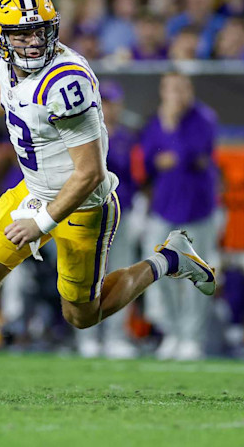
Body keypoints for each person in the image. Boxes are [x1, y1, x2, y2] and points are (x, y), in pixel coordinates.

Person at [0, 0, 215, 397]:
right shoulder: (11, 62)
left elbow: (90, 173)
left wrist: (41, 222)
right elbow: (8, 94)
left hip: (83, 206)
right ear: (0, 36)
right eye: (22, 33)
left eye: (40, 30)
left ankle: (168, 259)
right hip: (34, 189)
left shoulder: (65, 82)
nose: (34, 41)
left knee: (81, 315)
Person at [140, 73, 220, 361]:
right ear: (163, 90)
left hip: (199, 210)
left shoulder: (204, 118)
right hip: (164, 208)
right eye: (171, 88)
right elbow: (149, 161)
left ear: (190, 89)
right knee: (162, 275)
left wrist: (171, 128)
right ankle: (172, 333)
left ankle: (192, 337)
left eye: (182, 88)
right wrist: (172, 156)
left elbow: (194, 154)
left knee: (199, 275)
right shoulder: (152, 121)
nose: (176, 94)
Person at [75, 80, 141, 360]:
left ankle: (115, 336)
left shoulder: (127, 138)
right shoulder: (82, 134)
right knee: (87, 277)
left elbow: (137, 177)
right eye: (105, 102)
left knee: (119, 275)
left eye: (114, 103)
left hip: (121, 214)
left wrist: (140, 207)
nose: (110, 108)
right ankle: (86, 336)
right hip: (89, 214)